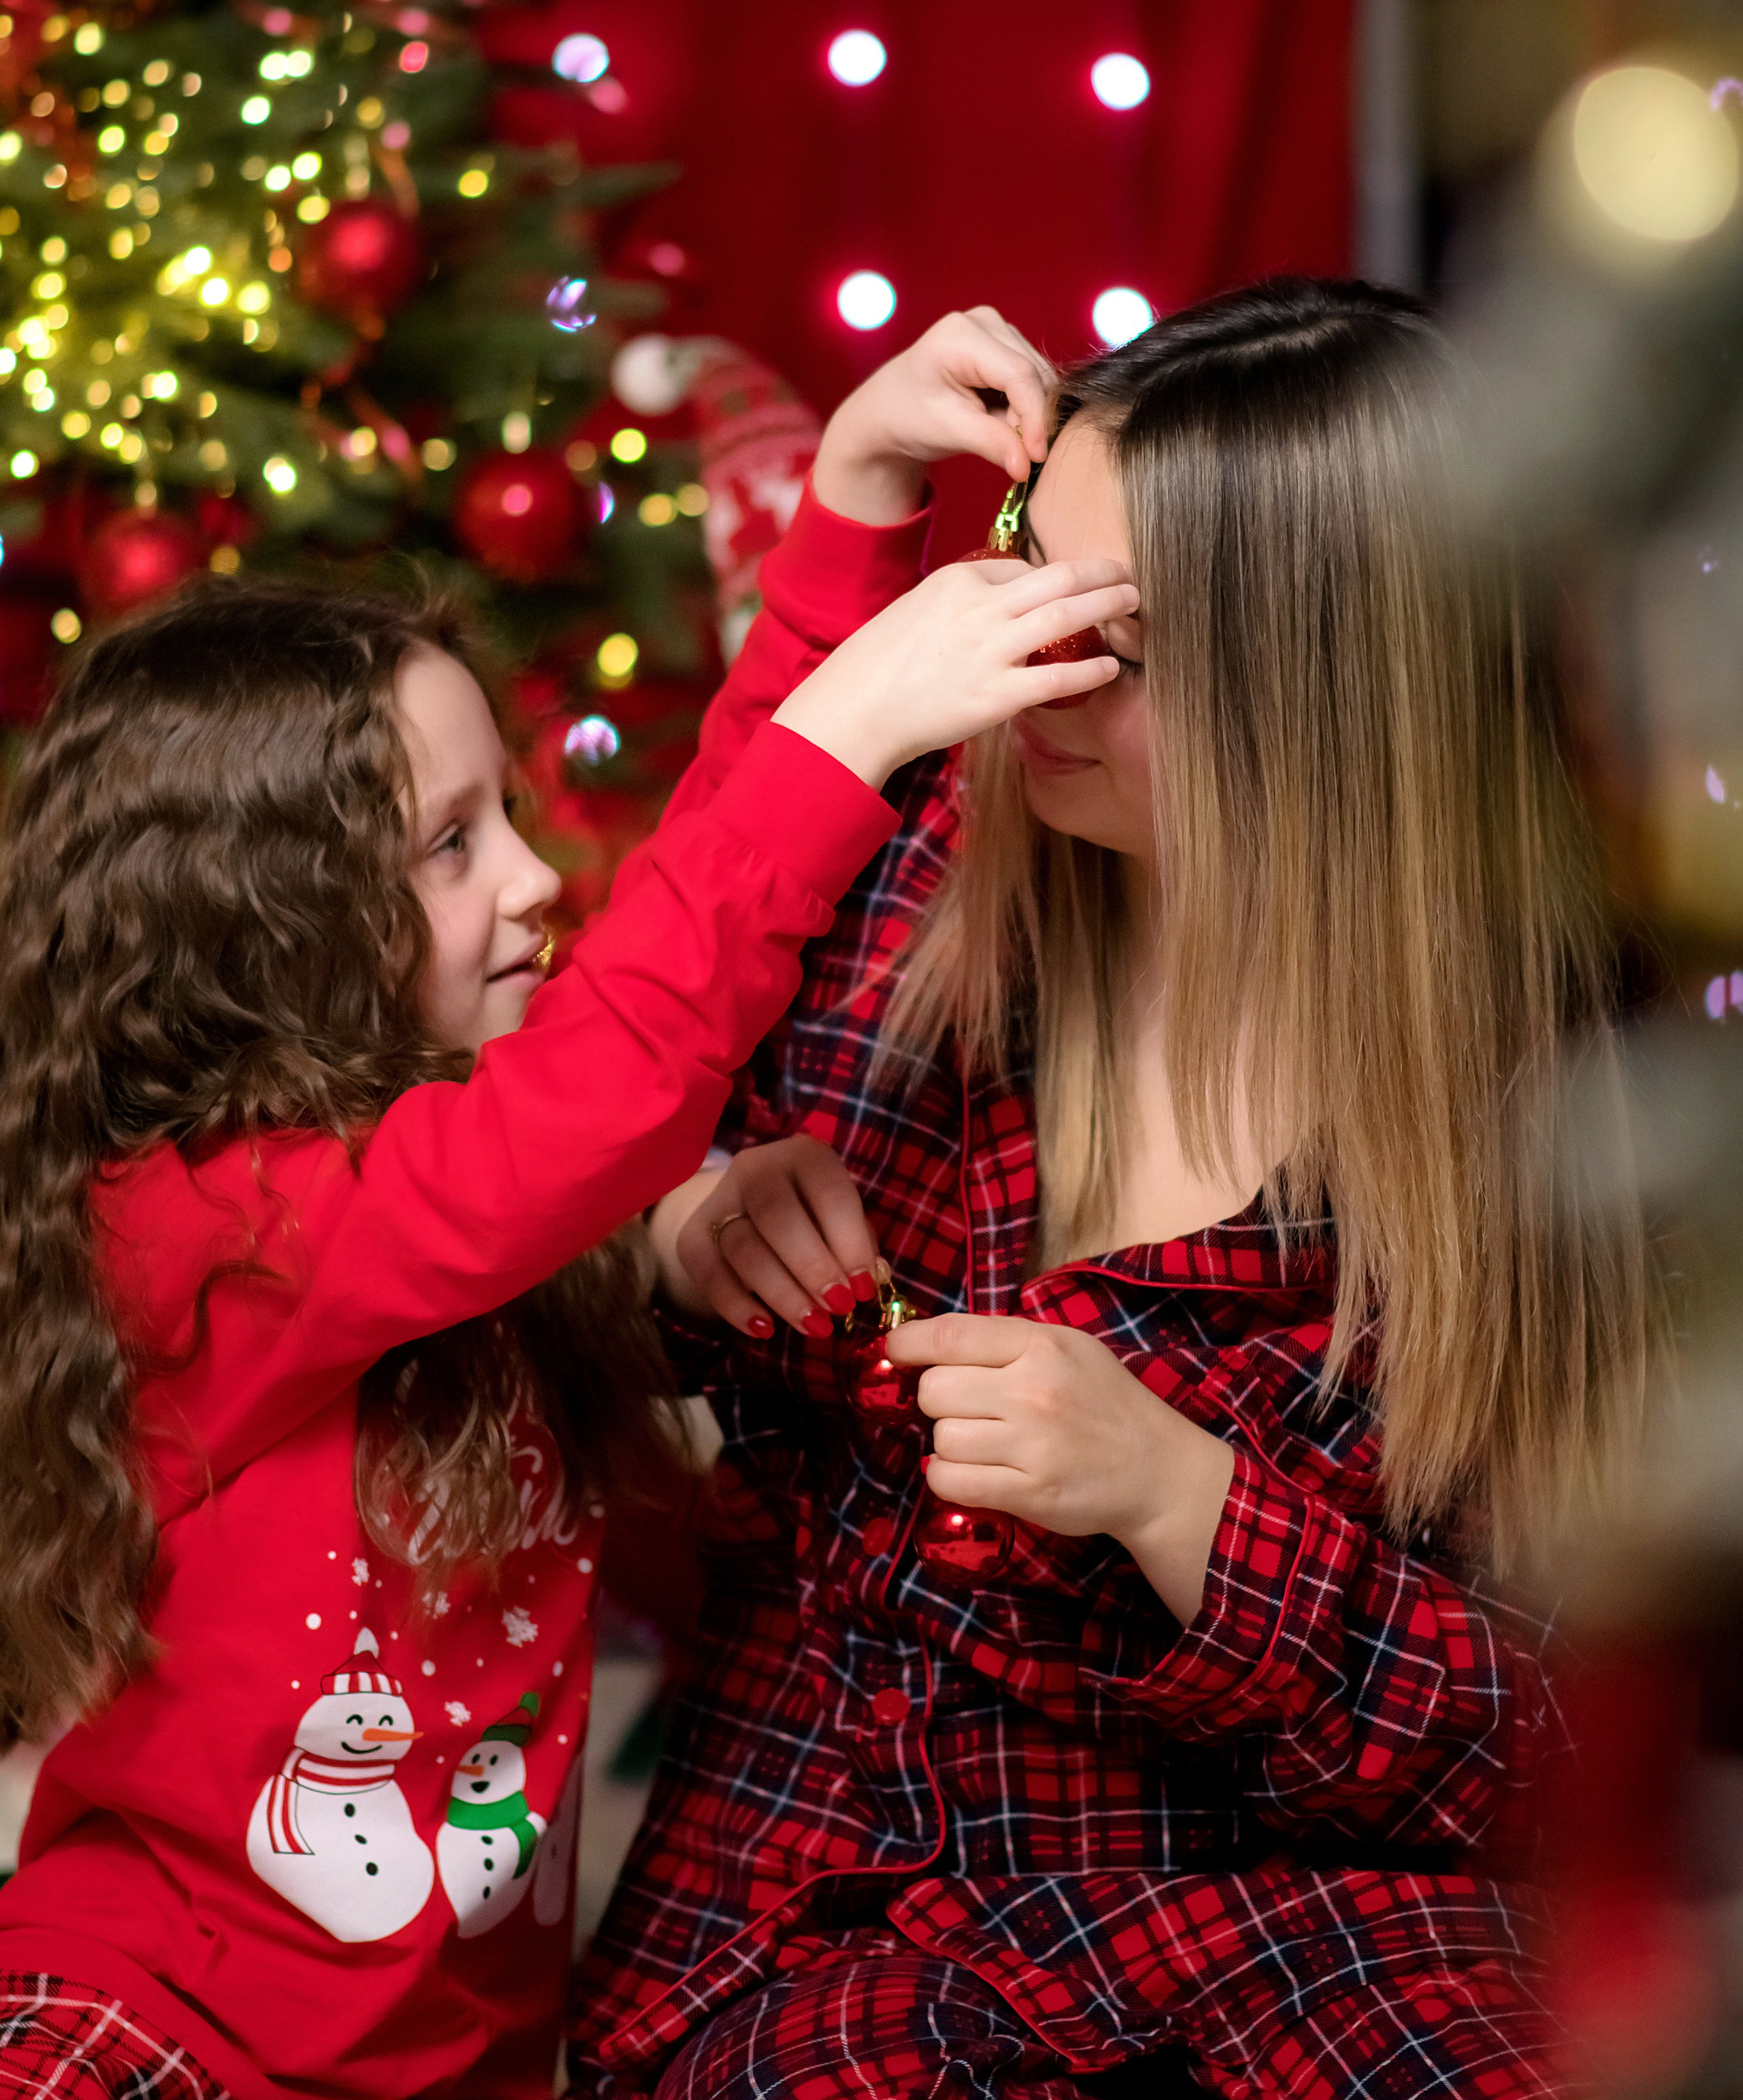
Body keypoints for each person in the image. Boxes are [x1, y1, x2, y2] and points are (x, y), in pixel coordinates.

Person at [567, 281, 1652, 2100]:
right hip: (836, 1901)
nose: (1030, 661)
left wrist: (1183, 1503)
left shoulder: (1538, 1111)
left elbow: (1555, 1751)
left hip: (1307, 1912)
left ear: (1326, 695)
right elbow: (542, 1172)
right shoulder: (904, 883)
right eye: (1019, 566)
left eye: (1120, 641)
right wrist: (683, 1235)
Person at [0, 498, 1134, 2100]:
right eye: (451, 845)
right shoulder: (201, 1225)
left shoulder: (443, 1175)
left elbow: (665, 923)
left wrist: (856, 517)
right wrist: (858, 723)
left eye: (509, 815)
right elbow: (611, 1085)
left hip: (446, 2061)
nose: (539, 880)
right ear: (266, 927)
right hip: (148, 2011)